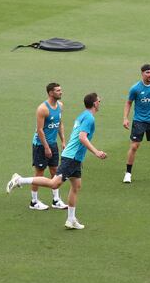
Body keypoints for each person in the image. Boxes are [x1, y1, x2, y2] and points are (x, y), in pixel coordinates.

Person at [7, 93, 107, 230]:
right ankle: (19, 180)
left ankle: (71, 219)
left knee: (76, 186)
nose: (100, 103)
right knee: (54, 183)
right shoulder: (89, 118)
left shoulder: (83, 115)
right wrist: (96, 152)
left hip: (75, 158)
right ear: (95, 103)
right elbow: (82, 137)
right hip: (71, 157)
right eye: (99, 101)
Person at [28, 83, 67, 211]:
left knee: (55, 172)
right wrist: (46, 147)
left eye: (60, 90)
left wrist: (63, 141)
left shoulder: (60, 106)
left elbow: (59, 124)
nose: (61, 92)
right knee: (39, 173)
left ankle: (56, 200)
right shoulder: (42, 109)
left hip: (52, 144)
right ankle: (33, 201)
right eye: (58, 90)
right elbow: (40, 130)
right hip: (40, 145)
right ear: (50, 93)